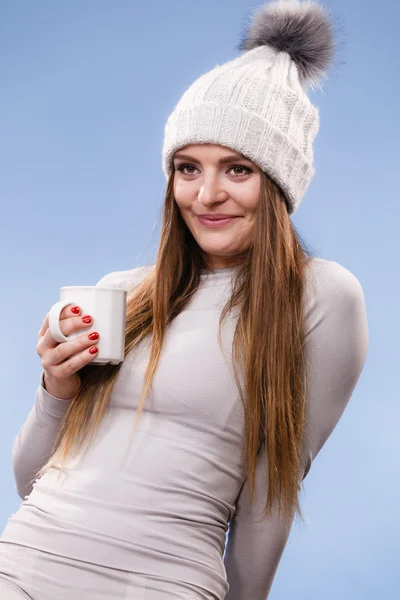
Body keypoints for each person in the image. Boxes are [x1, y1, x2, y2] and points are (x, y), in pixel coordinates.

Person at [0, 1, 369, 599]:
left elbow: (269, 497)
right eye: (187, 167)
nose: (208, 194)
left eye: (238, 169)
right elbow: (30, 481)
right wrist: (55, 393)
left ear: (277, 184)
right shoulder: (123, 292)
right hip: (22, 565)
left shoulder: (320, 296)